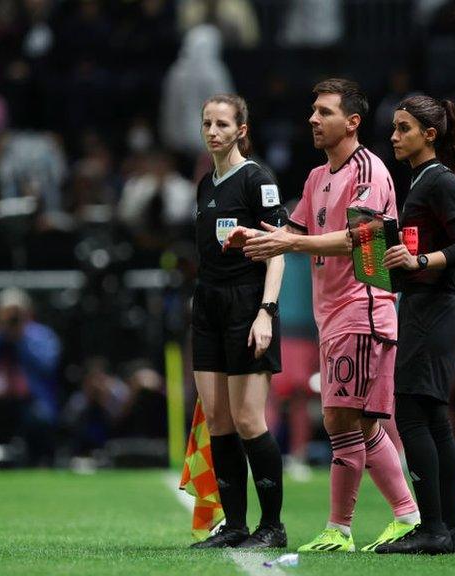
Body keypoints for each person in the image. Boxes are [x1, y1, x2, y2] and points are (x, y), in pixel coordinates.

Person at [230, 78, 420, 553]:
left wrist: (290, 241)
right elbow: (290, 231)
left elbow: (359, 238)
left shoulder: (368, 171)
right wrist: (252, 239)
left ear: (352, 122)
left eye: (324, 111)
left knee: (341, 418)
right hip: (331, 314)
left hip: (365, 306)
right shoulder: (318, 178)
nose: (313, 119)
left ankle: (356, 524)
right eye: (313, 111)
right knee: (357, 423)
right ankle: (395, 517)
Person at [373, 95, 455, 554]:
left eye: (404, 128)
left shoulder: (441, 182)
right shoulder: (420, 181)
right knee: (433, 418)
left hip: (434, 307)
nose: (394, 136)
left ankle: (433, 527)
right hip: (421, 304)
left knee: (413, 414)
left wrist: (417, 259)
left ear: (429, 135)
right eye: (395, 128)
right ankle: (450, 531)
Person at [188, 94, 287, 549]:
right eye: (207, 123)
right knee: (219, 420)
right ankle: (235, 526)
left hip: (247, 304)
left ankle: (273, 527)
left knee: (250, 420)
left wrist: (266, 312)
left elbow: (279, 250)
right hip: (207, 305)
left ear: (241, 129)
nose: (212, 131)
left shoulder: (257, 179)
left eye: (222, 124)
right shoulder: (205, 183)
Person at [0, 287, 61, 466]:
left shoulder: (41, 336)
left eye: (16, 314)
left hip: (30, 399)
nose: (11, 319)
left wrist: (20, 338)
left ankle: (40, 463)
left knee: (40, 419)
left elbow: (47, 366)